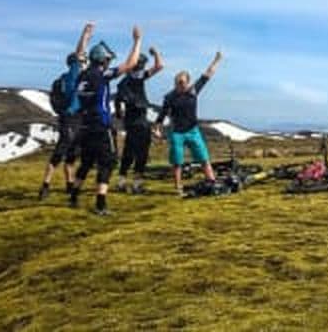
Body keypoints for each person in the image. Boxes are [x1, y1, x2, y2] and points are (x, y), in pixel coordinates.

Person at [69, 26, 143, 215]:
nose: (109, 62)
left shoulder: (82, 75)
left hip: (85, 124)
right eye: (108, 59)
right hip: (101, 125)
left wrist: (85, 36)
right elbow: (131, 63)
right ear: (103, 60)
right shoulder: (102, 75)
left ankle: (74, 196)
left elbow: (79, 56)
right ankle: (100, 204)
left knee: (86, 162)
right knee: (108, 162)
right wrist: (137, 40)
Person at [154, 51, 223, 196]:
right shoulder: (170, 97)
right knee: (177, 162)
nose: (180, 85)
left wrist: (217, 60)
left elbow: (208, 74)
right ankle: (178, 187)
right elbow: (162, 114)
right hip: (177, 133)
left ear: (188, 82)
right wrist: (157, 129)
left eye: (182, 83)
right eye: (177, 83)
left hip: (193, 130)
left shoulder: (193, 91)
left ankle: (212, 182)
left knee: (204, 158)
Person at [38, 22, 94, 200]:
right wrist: (85, 36)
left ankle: (68, 185)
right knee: (61, 153)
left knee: (70, 155)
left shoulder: (67, 78)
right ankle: (45, 186)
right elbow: (80, 53)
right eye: (83, 61)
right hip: (71, 118)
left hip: (73, 118)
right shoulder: (73, 75)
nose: (85, 63)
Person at [114, 46, 164, 194]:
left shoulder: (123, 82)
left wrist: (120, 114)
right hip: (140, 120)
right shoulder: (138, 78)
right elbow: (159, 66)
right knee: (141, 152)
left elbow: (118, 102)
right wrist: (156, 53)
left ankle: (122, 181)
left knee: (129, 151)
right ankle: (136, 184)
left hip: (130, 121)